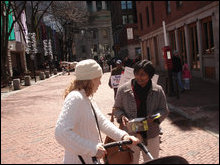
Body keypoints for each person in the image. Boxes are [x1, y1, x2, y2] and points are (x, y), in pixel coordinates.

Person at [55, 59, 140, 164]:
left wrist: (123, 136)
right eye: (98, 79)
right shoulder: (75, 98)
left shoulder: (87, 98)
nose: (100, 83)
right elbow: (61, 133)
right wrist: (92, 148)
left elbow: (102, 122)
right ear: (89, 80)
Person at [113, 60, 169, 164]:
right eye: (137, 74)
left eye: (143, 75)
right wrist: (121, 117)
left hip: (151, 134)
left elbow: (164, 110)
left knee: (152, 161)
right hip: (130, 135)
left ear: (150, 75)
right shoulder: (123, 90)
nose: (139, 77)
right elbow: (117, 108)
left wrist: (154, 118)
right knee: (131, 161)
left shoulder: (158, 90)